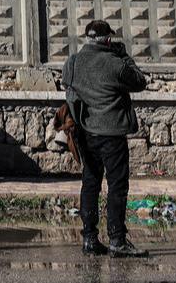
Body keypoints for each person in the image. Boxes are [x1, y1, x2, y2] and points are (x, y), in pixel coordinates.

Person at [62, 20, 148, 259]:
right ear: (108, 40)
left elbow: (69, 89)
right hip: (112, 134)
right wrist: (125, 56)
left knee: (90, 184)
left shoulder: (73, 62)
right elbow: (140, 82)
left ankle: (90, 238)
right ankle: (117, 240)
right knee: (117, 186)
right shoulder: (115, 64)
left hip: (85, 133)